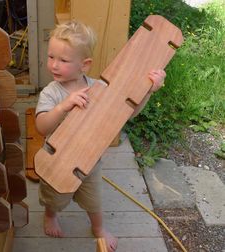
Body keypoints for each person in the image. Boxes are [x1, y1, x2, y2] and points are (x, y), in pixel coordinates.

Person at [35, 20, 166, 252]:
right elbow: (42, 127)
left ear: (84, 65)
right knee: (54, 198)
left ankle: (98, 229)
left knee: (93, 201)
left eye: (63, 60)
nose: (54, 65)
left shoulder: (97, 87)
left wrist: (148, 91)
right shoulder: (51, 93)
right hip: (56, 161)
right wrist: (63, 107)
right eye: (51, 56)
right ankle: (50, 215)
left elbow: (128, 112)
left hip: (88, 161)